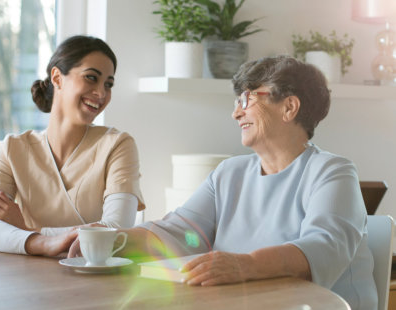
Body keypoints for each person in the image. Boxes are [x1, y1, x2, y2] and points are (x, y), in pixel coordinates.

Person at [66, 55, 376, 310]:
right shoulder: (230, 173)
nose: (235, 112)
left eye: (246, 98)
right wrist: (115, 238)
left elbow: (323, 249)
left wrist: (245, 264)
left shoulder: (332, 172)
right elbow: (181, 232)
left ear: (289, 107)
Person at [0, 35, 145, 256]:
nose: (101, 93)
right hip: (25, 278)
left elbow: (116, 229)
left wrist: (29, 231)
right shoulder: (11, 149)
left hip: (96, 279)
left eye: (108, 84)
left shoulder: (117, 145)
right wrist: (44, 243)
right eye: (91, 77)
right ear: (57, 77)